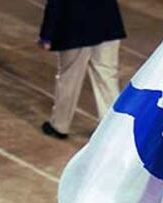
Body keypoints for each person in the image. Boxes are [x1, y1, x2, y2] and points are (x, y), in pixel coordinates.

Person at [38, 0, 126, 139]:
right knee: (107, 77)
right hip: (107, 24)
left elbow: (56, 3)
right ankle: (112, 128)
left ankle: (60, 125)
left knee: (69, 78)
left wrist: (46, 35)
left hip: (75, 29)